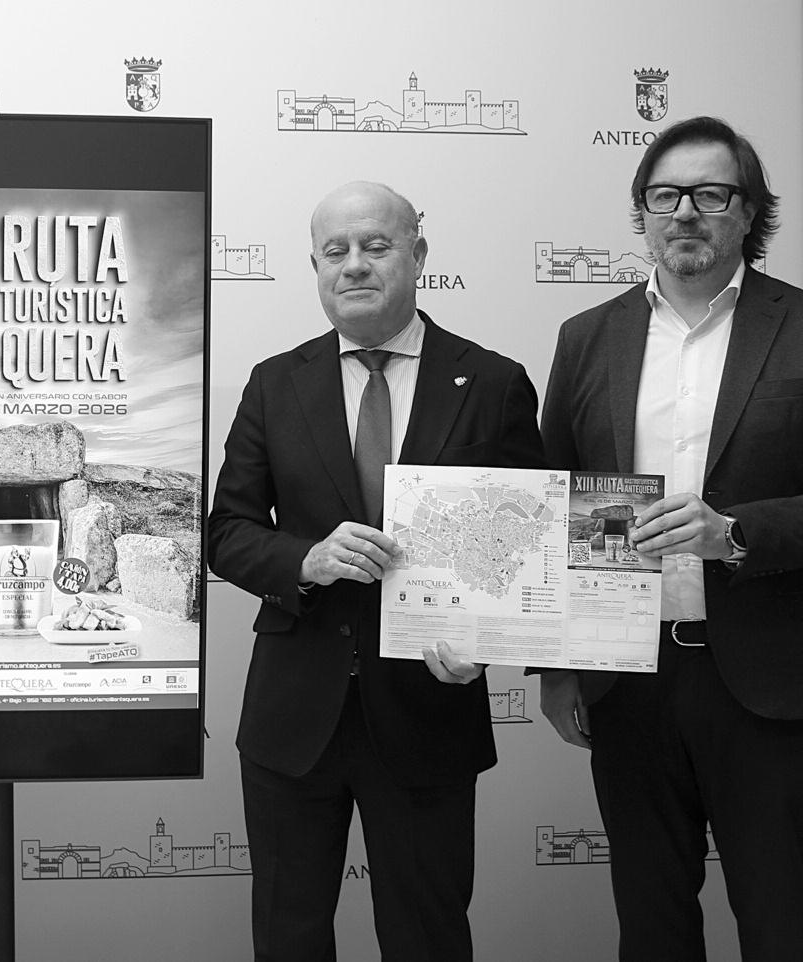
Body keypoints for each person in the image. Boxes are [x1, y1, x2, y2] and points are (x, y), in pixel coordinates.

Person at [537, 115, 803, 961]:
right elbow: (553, 507)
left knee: (780, 924)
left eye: (710, 193)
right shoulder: (587, 337)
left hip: (771, 682)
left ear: (748, 211)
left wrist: (733, 532)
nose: (684, 213)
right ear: (641, 211)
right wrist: (555, 666)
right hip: (627, 681)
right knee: (651, 924)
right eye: (664, 195)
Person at [207, 182, 545, 961]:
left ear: (417, 256)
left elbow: (531, 539)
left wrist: (485, 637)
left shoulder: (491, 382)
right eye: (335, 251)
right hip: (294, 717)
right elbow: (226, 532)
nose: (353, 265)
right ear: (315, 268)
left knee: (425, 937)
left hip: (428, 711)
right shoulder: (274, 383)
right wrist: (305, 558)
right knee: (288, 938)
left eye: (375, 246)